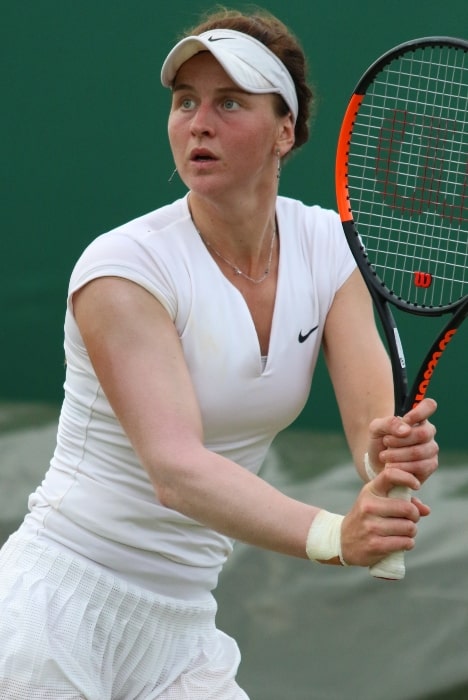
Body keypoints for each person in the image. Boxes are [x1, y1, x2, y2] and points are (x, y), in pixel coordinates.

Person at [0, 7, 439, 699]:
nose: (197, 122)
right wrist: (335, 534)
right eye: (185, 102)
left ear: (285, 131)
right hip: (57, 607)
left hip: (181, 630)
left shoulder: (330, 251)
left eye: (229, 102)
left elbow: (371, 431)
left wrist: (386, 460)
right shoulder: (124, 267)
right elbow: (176, 470)